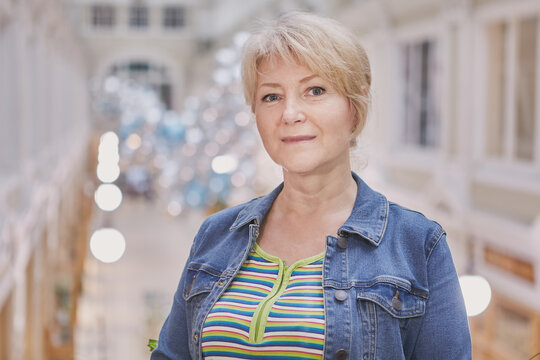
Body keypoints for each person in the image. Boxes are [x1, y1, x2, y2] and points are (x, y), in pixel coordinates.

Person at [151, 12, 472, 360]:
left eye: (314, 90)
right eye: (271, 97)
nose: (290, 113)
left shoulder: (416, 245)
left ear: (355, 108)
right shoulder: (217, 235)